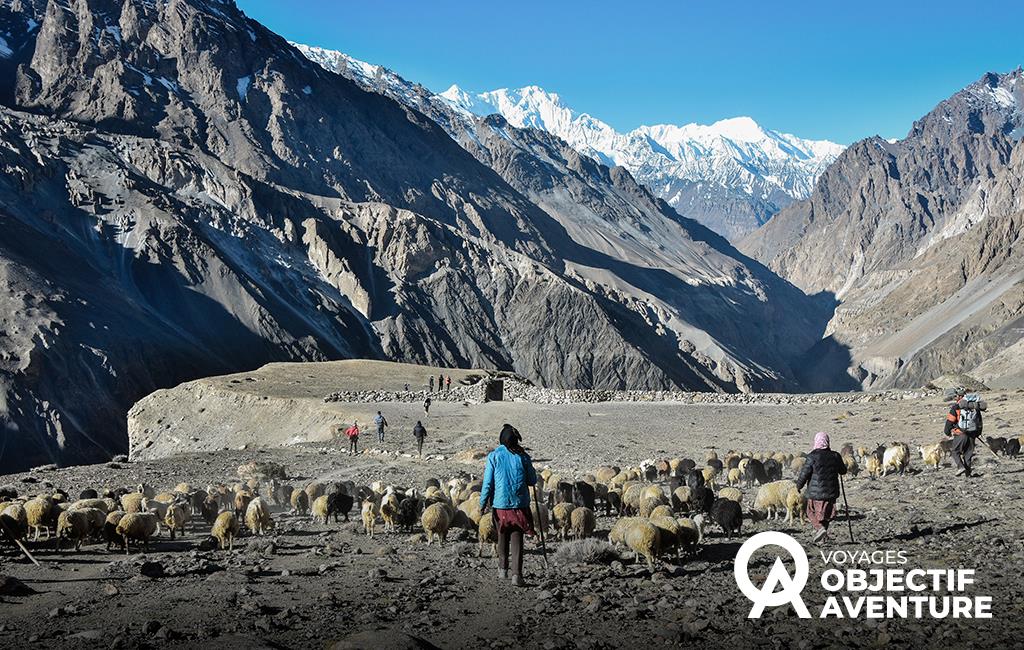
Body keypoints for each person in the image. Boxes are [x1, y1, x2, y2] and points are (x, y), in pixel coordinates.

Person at [479, 424, 537, 587]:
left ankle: (502, 570)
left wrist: (483, 502)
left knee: (502, 533)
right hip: (520, 505)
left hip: (500, 505)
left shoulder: (494, 456)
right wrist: (527, 462)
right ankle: (517, 575)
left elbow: (488, 483)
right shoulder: (523, 456)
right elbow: (532, 480)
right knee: (517, 537)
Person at [795, 432, 847, 544]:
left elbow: (805, 473)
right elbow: (843, 471)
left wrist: (799, 485)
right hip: (831, 492)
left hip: (815, 493)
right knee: (826, 515)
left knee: (810, 511)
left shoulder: (812, 456)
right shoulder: (835, 455)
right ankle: (823, 538)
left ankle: (820, 529)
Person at [944, 388, 984, 477]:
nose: (956, 398)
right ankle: (968, 474)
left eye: (957, 396)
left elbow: (950, 421)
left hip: (960, 434)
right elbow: (979, 421)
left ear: (960, 397)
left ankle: (960, 467)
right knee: (968, 454)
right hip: (972, 434)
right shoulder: (974, 407)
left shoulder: (956, 407)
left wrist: (947, 432)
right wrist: (977, 433)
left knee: (955, 451)